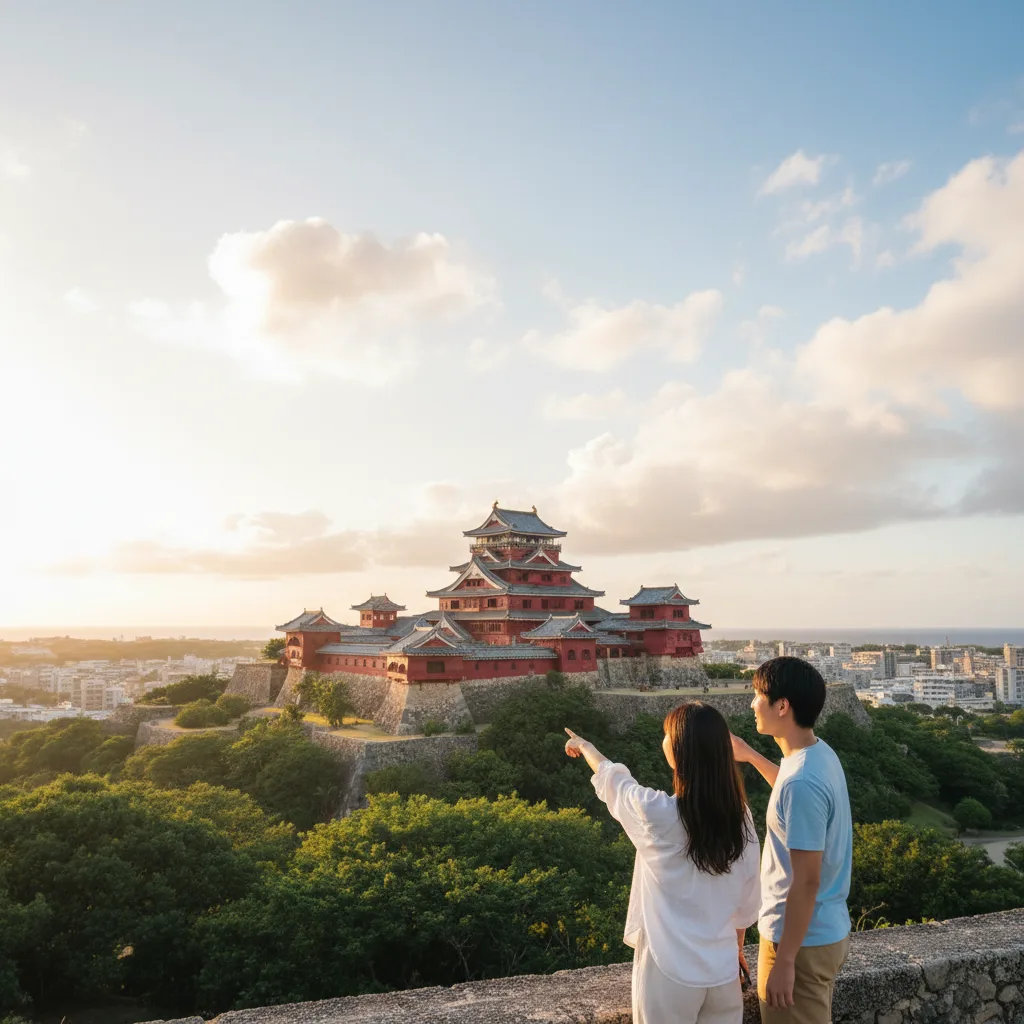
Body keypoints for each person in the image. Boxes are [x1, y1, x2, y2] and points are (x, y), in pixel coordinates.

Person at [565, 702, 760, 1024]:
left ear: (680, 750)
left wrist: (585, 747)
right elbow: (747, 901)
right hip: (722, 972)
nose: (663, 739)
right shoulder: (741, 819)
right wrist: (736, 950)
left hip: (668, 970)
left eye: (667, 733)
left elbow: (614, 779)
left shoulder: (657, 814)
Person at [729, 657, 852, 1024]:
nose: (752, 704)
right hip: (821, 930)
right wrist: (750, 755)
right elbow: (789, 797)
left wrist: (784, 961)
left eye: (758, 695)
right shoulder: (817, 755)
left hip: (798, 942)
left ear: (782, 706)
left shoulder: (801, 782)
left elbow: (807, 880)